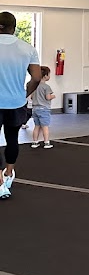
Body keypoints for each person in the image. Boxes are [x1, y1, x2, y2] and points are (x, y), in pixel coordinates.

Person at [0, 11, 42, 199]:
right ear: (14, 28)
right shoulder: (27, 49)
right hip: (16, 103)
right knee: (12, 139)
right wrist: (24, 94)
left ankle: (0, 184)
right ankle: (9, 174)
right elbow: (37, 77)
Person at [30, 66, 55, 149]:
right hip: (44, 109)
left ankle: (35, 142)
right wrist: (53, 96)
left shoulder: (34, 86)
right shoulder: (46, 87)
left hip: (35, 109)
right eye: (49, 74)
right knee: (45, 126)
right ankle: (46, 142)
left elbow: (31, 97)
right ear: (45, 76)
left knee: (36, 126)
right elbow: (48, 97)